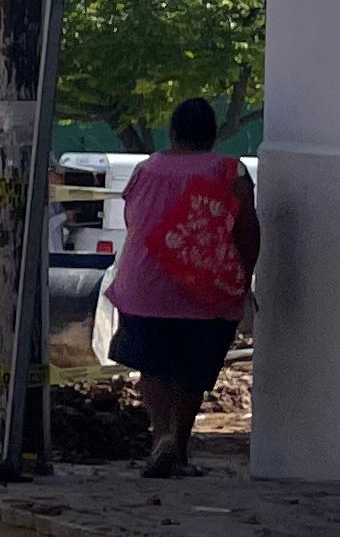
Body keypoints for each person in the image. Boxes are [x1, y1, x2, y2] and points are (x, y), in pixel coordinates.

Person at [109, 95, 259, 480]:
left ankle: (161, 436)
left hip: (143, 284)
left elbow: (134, 221)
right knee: (193, 371)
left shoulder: (145, 170)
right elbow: (247, 232)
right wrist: (242, 280)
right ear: (213, 135)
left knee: (153, 367)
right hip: (205, 289)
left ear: (173, 132)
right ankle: (177, 446)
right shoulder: (232, 172)